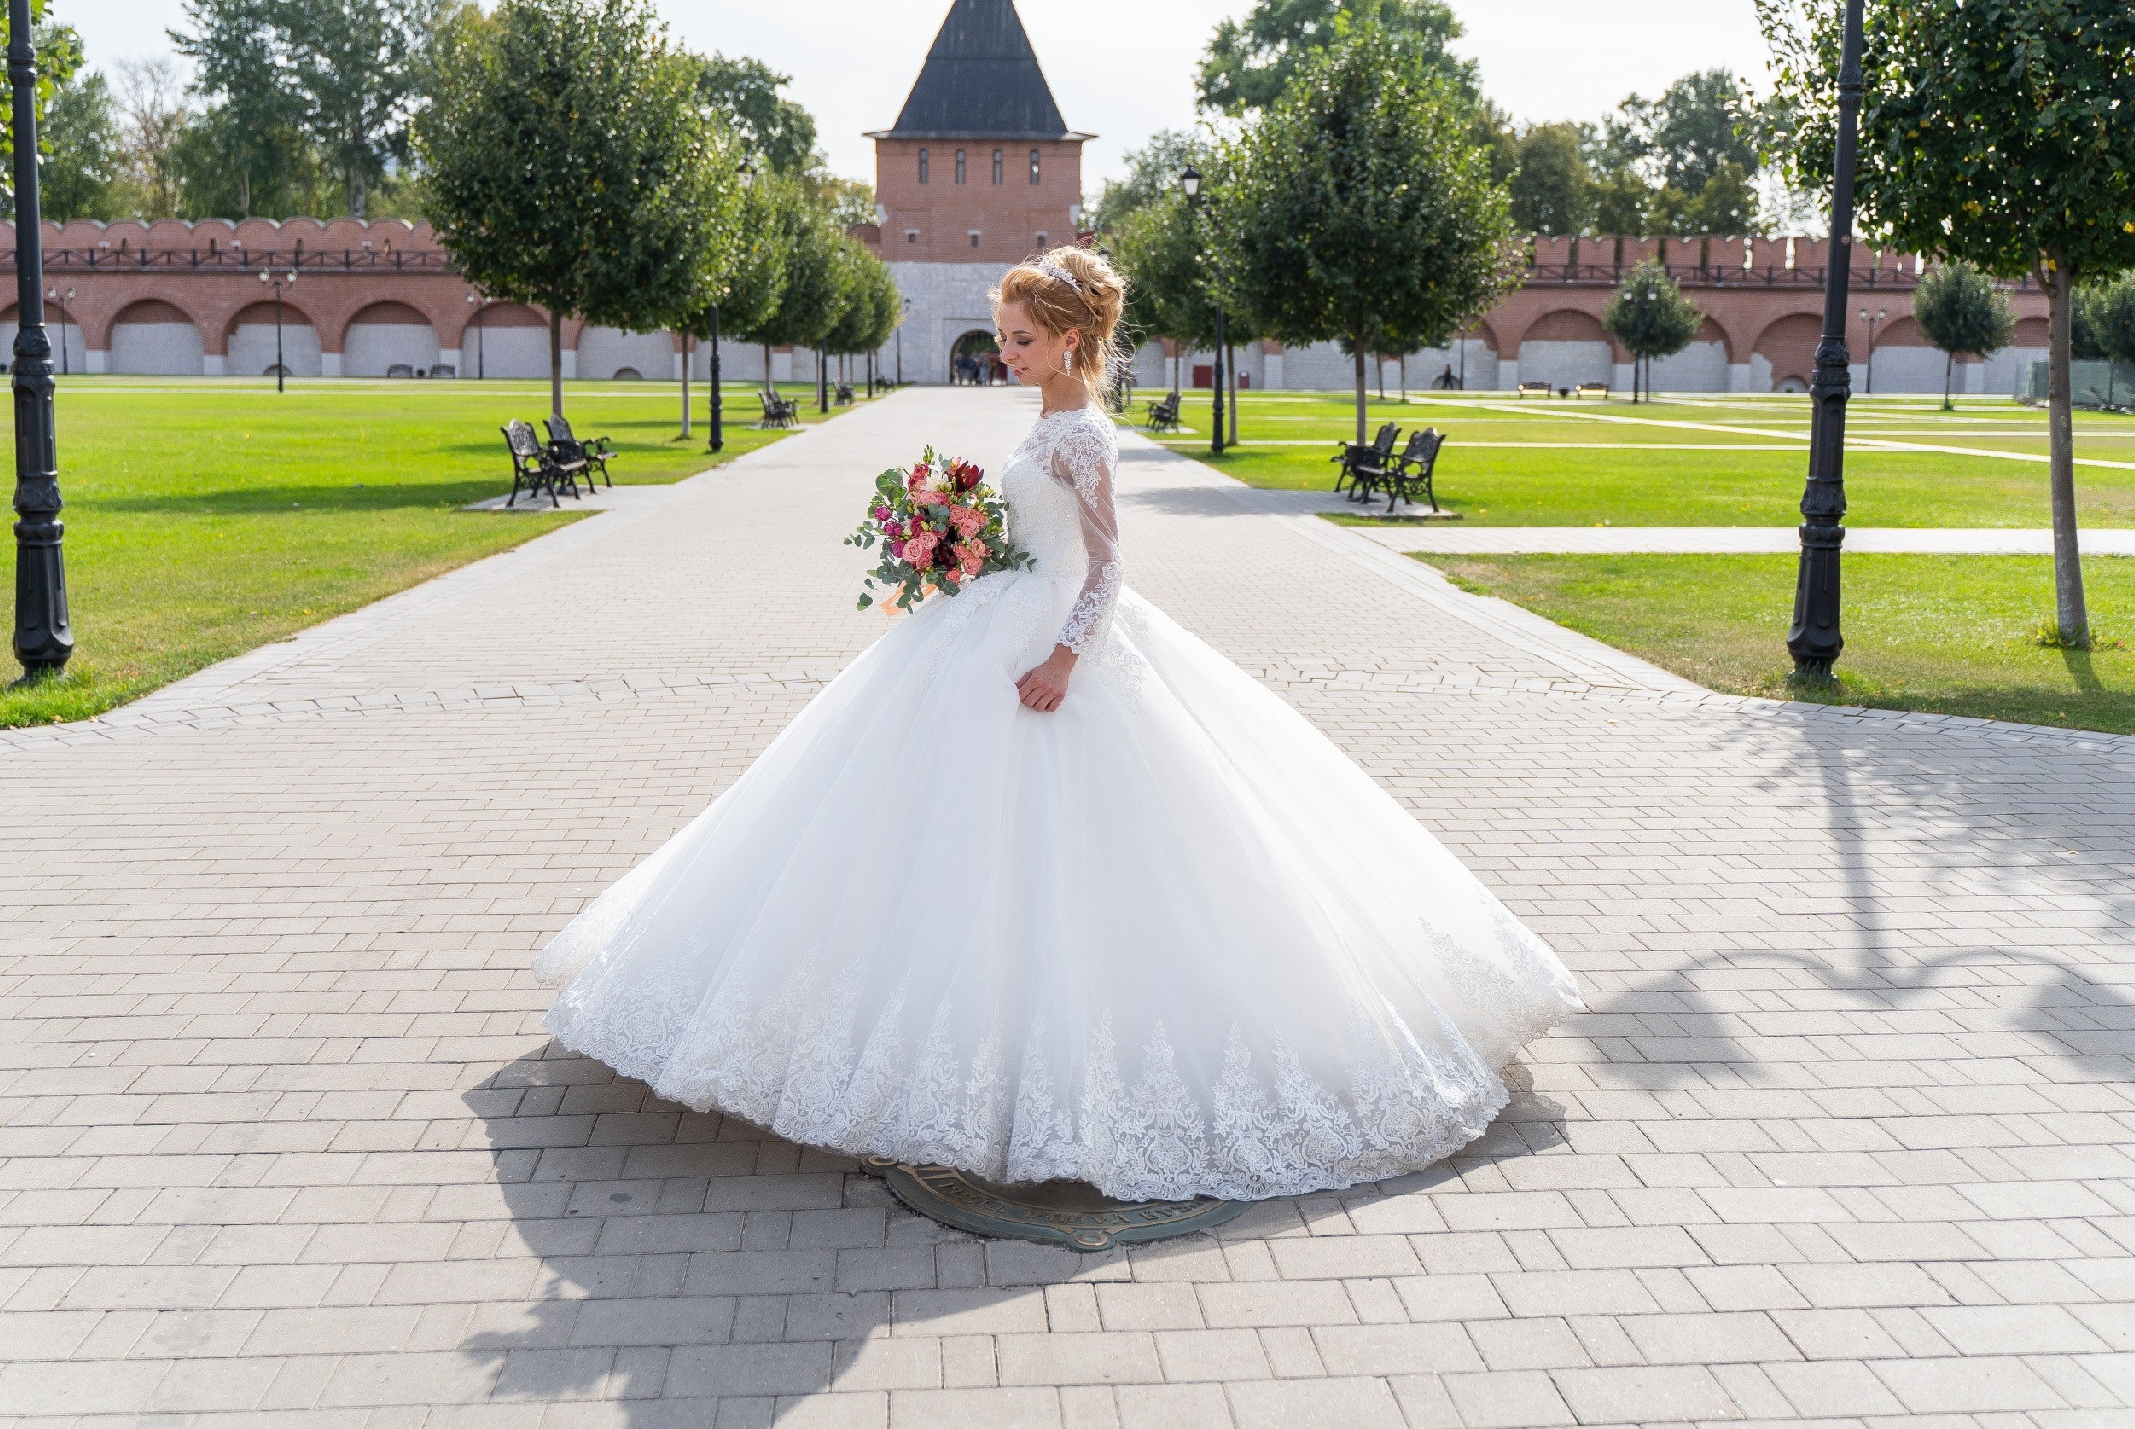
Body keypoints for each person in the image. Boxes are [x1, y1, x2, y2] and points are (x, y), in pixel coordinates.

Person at [535, 248, 1580, 1202]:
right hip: (989, 624)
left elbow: (1111, 562)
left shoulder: (1078, 431)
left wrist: (1065, 658)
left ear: (1070, 338)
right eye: (1005, 335)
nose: (1007, 351)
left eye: (1022, 338)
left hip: (1049, 649)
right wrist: (954, 547)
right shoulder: (1046, 418)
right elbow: (1031, 534)